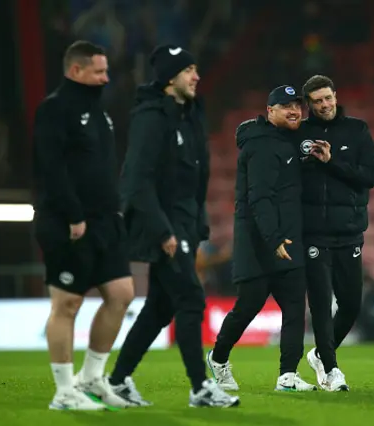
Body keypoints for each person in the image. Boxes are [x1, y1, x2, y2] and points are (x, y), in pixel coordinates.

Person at [105, 45, 239, 408]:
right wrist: (162, 230)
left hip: (184, 226)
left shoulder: (188, 116)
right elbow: (136, 181)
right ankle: (200, 387)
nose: (197, 76)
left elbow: (192, 181)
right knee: (192, 299)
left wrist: (195, 226)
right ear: (169, 78)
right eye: (188, 70)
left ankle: (116, 381)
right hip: (164, 228)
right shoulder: (151, 118)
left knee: (160, 308)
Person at [32, 40, 135, 410]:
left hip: (106, 222)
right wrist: (73, 214)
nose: (106, 78)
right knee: (68, 304)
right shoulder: (55, 109)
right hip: (68, 221)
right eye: (99, 71)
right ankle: (63, 391)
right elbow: (51, 167)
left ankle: (91, 379)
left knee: (122, 294)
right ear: (76, 71)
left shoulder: (100, 111)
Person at [206, 85, 317, 392]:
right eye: (286, 106)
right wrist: (274, 238)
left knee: (295, 305)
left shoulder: (285, 140)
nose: (295, 110)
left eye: (298, 105)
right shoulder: (263, 147)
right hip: (260, 242)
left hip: (286, 239)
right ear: (270, 112)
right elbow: (260, 198)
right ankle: (217, 357)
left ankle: (287, 375)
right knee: (249, 304)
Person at [298, 75, 374, 391]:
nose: (324, 105)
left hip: (349, 232)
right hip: (314, 234)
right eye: (317, 101)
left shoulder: (357, 131)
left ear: (336, 96)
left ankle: (320, 354)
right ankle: (332, 370)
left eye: (328, 98)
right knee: (320, 303)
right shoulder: (301, 135)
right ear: (309, 105)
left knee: (351, 304)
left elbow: (370, 176)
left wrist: (333, 162)